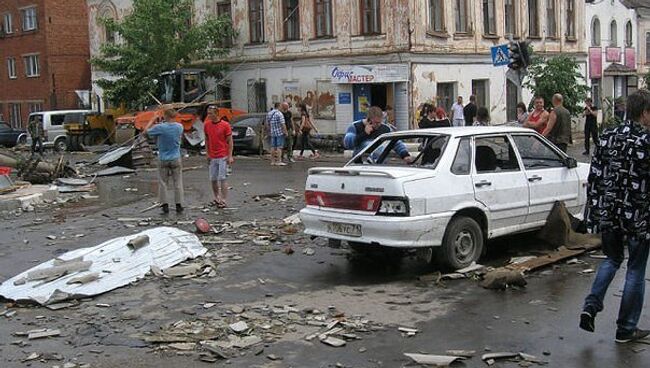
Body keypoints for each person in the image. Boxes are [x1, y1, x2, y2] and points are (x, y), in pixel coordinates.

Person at [579, 89, 650, 344]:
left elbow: (595, 177)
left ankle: (590, 305)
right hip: (639, 216)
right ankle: (626, 328)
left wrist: (594, 213)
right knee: (635, 270)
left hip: (610, 213)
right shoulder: (646, 140)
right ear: (644, 113)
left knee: (611, 259)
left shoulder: (608, 136)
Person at [146, 109, 184, 214]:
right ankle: (179, 205)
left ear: (165, 116)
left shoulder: (160, 127)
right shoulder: (179, 127)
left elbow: (146, 132)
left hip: (163, 158)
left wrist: (153, 119)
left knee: (163, 183)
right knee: (178, 182)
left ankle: (165, 205)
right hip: (176, 157)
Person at [344, 106, 412, 162]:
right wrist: (364, 134)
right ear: (368, 120)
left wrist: (405, 154)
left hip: (380, 163)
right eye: (376, 123)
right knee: (367, 143)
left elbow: (395, 142)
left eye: (380, 122)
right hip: (360, 163)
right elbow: (348, 144)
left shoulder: (385, 128)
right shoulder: (355, 126)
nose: (378, 125)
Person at [204, 106, 233, 208]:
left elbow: (230, 141)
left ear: (216, 113)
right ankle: (217, 197)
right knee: (213, 178)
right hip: (212, 155)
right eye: (208, 113)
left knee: (222, 178)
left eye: (211, 113)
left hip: (222, 155)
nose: (209, 115)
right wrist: (207, 153)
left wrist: (230, 156)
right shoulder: (207, 125)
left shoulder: (225, 125)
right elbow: (207, 140)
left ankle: (223, 199)